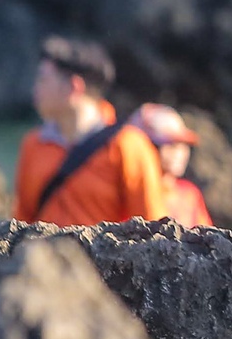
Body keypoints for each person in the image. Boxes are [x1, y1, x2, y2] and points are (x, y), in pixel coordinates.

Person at [13, 37, 168, 227]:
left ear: (74, 87)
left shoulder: (128, 145)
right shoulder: (33, 144)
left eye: (43, 79)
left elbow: (151, 226)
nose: (35, 88)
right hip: (41, 256)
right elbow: (21, 223)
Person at [130, 102, 213, 228]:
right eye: (171, 145)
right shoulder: (130, 191)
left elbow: (208, 238)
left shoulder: (190, 195)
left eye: (184, 146)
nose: (180, 153)